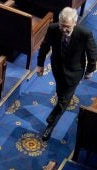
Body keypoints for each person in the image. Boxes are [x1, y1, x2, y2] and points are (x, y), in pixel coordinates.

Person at [36, 7, 97, 141]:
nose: (64, 30)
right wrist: (40, 64)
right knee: (60, 91)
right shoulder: (53, 29)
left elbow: (92, 54)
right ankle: (59, 103)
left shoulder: (85, 33)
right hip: (57, 69)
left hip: (74, 72)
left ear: (75, 23)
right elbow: (44, 47)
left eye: (67, 27)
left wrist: (90, 70)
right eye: (62, 26)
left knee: (64, 100)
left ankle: (51, 124)